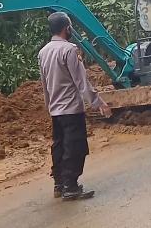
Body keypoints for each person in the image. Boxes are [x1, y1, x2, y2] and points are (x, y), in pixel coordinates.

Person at [38, 12, 112, 201]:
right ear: (67, 28)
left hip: (56, 110)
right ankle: (70, 187)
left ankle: (59, 184)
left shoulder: (43, 52)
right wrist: (98, 103)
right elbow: (82, 83)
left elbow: (44, 84)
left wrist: (49, 107)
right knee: (75, 147)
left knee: (59, 146)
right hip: (71, 110)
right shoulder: (69, 50)